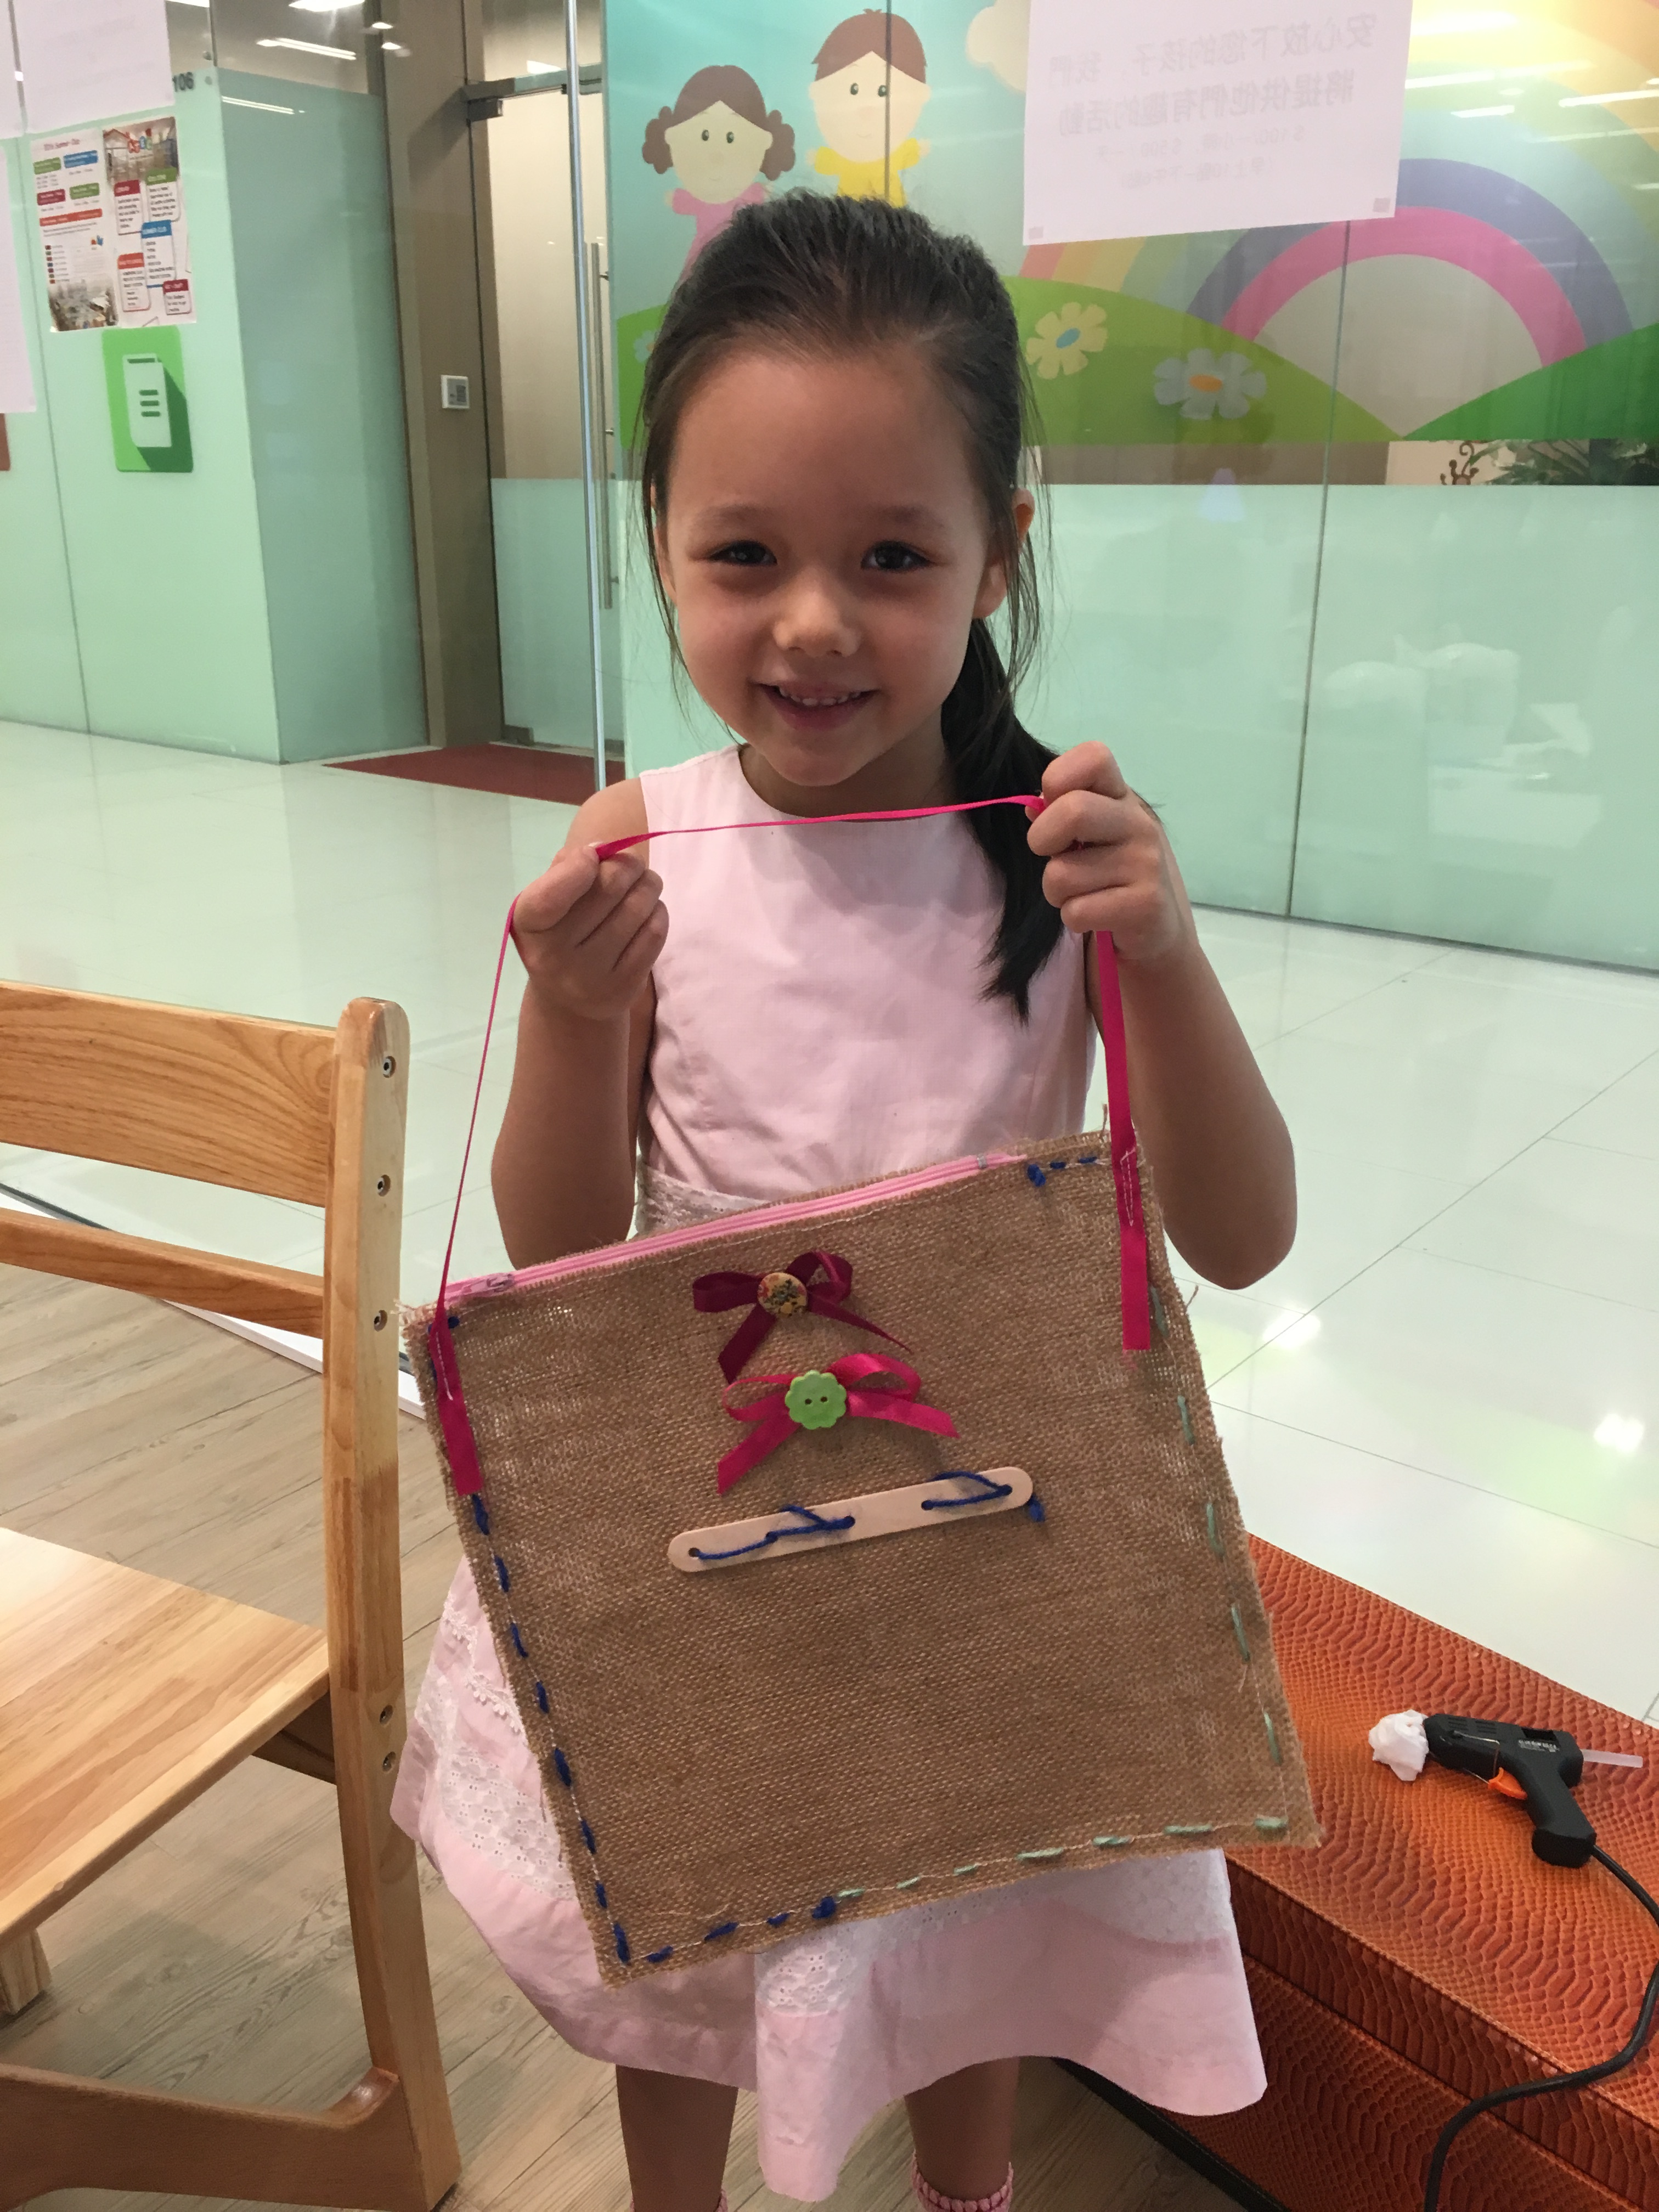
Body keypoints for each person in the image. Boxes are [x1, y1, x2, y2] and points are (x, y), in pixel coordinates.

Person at [393, 192, 1297, 2212]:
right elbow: (560, 1251)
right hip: (709, 1505)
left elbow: (1241, 1236)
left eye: (891, 556)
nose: (812, 624)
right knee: (686, 1925)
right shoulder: (642, 839)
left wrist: (1160, 954)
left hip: (986, 1524)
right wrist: (575, 1018)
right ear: (658, 544)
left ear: (999, 552)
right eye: (744, 555)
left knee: (961, 1929)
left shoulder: (1055, 851)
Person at [641, 65, 796, 275]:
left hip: (740, 254)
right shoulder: (700, 199)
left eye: (731, 138)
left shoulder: (750, 197)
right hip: (704, 253)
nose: (716, 154)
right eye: (704, 136)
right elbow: (682, 202)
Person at [810, 9, 930, 207]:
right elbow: (829, 162)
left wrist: (918, 148)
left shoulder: (893, 154)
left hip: (889, 212)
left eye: (883, 91)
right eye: (854, 89)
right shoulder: (845, 157)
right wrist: (817, 158)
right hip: (849, 212)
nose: (866, 108)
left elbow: (908, 152)